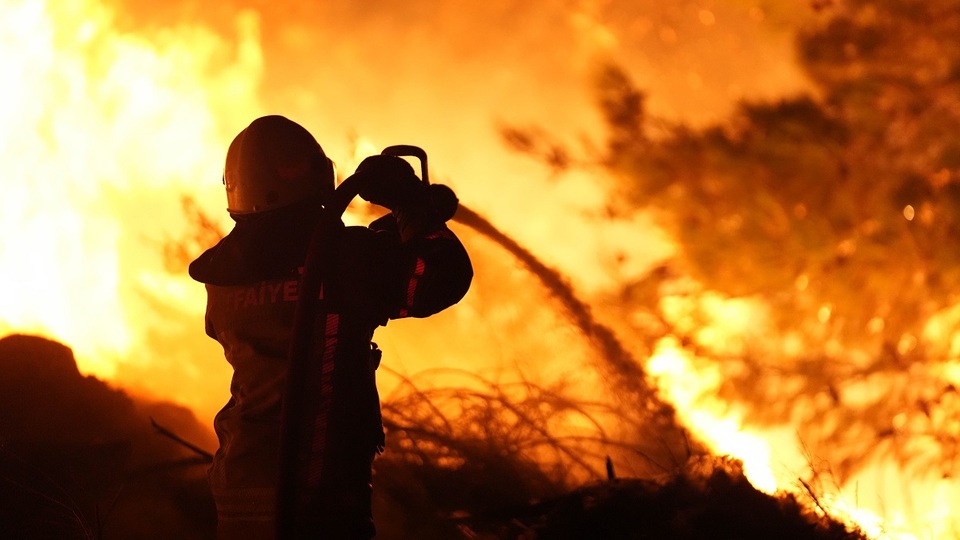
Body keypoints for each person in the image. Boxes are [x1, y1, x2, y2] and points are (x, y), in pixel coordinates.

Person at [189, 115, 473, 539]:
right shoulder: (344, 261)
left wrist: (391, 232)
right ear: (316, 175)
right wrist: (411, 206)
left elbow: (325, 268)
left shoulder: (224, 278)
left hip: (239, 488)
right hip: (318, 495)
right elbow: (441, 278)